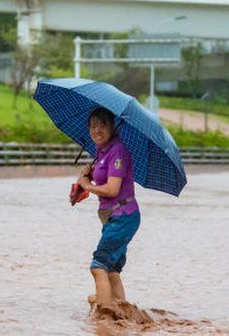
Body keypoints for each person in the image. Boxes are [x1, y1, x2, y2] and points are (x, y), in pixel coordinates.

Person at [75, 107, 140, 311]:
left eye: (103, 124)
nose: (97, 129)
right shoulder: (102, 151)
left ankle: (104, 315)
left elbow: (112, 189)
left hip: (123, 216)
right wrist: (89, 173)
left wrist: (87, 186)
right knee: (111, 271)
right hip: (115, 217)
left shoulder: (117, 151)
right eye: (93, 125)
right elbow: (103, 175)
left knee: (98, 266)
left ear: (113, 126)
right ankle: (123, 314)